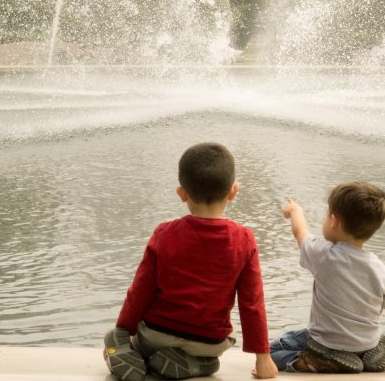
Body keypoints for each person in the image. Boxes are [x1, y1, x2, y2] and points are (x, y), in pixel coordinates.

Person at [103, 142, 278, 381]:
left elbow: (139, 291)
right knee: (212, 358)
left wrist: (124, 329)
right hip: (209, 342)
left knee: (126, 341)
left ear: (182, 193)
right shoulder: (245, 240)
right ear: (233, 192)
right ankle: (200, 364)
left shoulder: (164, 234)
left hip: (156, 336)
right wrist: (263, 358)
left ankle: (124, 349)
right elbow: (252, 303)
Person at [271, 182, 385, 373]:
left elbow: (300, 233)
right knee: (362, 340)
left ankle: (311, 362)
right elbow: (381, 309)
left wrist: (295, 211)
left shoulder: (325, 256)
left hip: (325, 343)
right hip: (366, 342)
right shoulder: (379, 268)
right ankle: (368, 352)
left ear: (333, 221)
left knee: (272, 352)